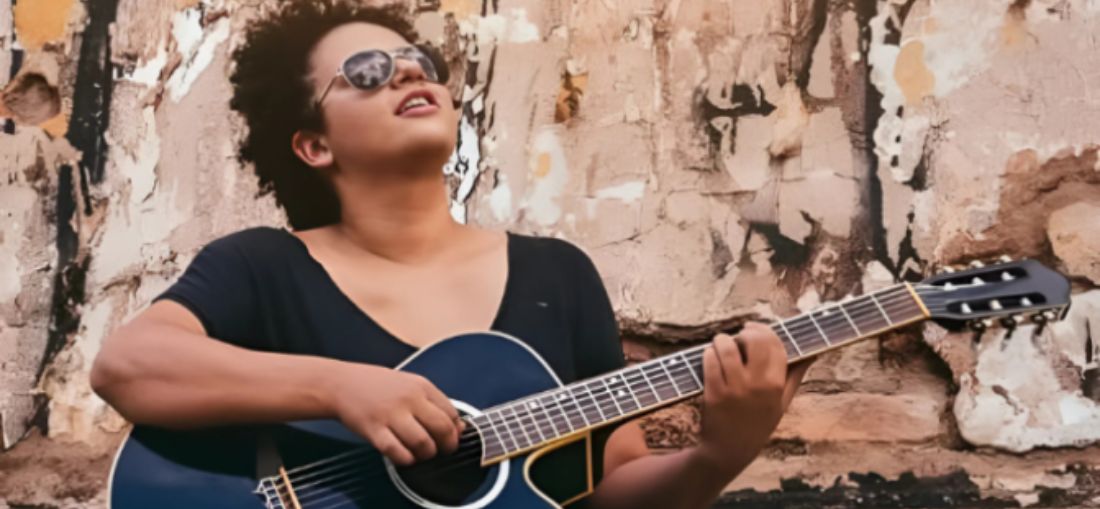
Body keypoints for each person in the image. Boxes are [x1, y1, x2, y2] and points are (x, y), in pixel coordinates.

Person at [90, 2, 812, 507]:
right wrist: (343, 389)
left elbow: (608, 489)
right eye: (367, 71)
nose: (410, 74)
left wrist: (720, 454)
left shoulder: (557, 275)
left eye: (419, 62)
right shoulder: (262, 267)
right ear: (314, 145)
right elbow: (129, 366)